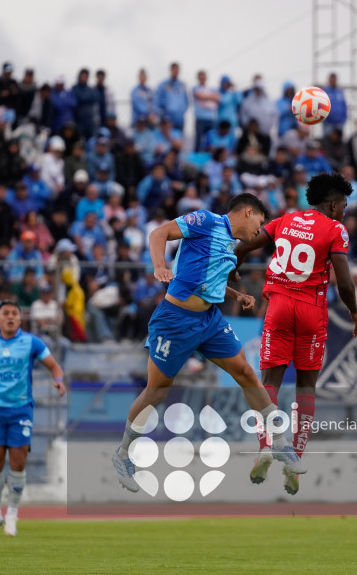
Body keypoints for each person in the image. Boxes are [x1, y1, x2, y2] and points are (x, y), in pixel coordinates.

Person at [110, 193, 307, 494]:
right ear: (248, 212)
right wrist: (159, 265)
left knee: (244, 372)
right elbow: (158, 233)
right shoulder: (205, 220)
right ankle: (123, 454)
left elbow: (209, 279)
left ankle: (279, 443)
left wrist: (236, 295)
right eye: (260, 221)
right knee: (156, 392)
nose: (260, 229)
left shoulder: (229, 245)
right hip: (175, 321)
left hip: (209, 321)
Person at [233, 173, 357, 495]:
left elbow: (246, 243)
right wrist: (355, 311)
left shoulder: (285, 220)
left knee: (269, 383)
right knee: (306, 386)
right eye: (343, 205)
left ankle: (266, 447)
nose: (344, 211)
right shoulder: (335, 229)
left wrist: (236, 263)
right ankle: (295, 459)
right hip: (311, 311)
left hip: (277, 306)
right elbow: (344, 281)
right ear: (332, 204)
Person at [0, 300, 66, 536]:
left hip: (21, 410)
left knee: (18, 462)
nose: (10, 317)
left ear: (20, 319)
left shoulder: (31, 342)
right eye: (6, 313)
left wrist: (59, 380)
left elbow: (54, 366)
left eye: (14, 313)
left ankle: (12, 514)